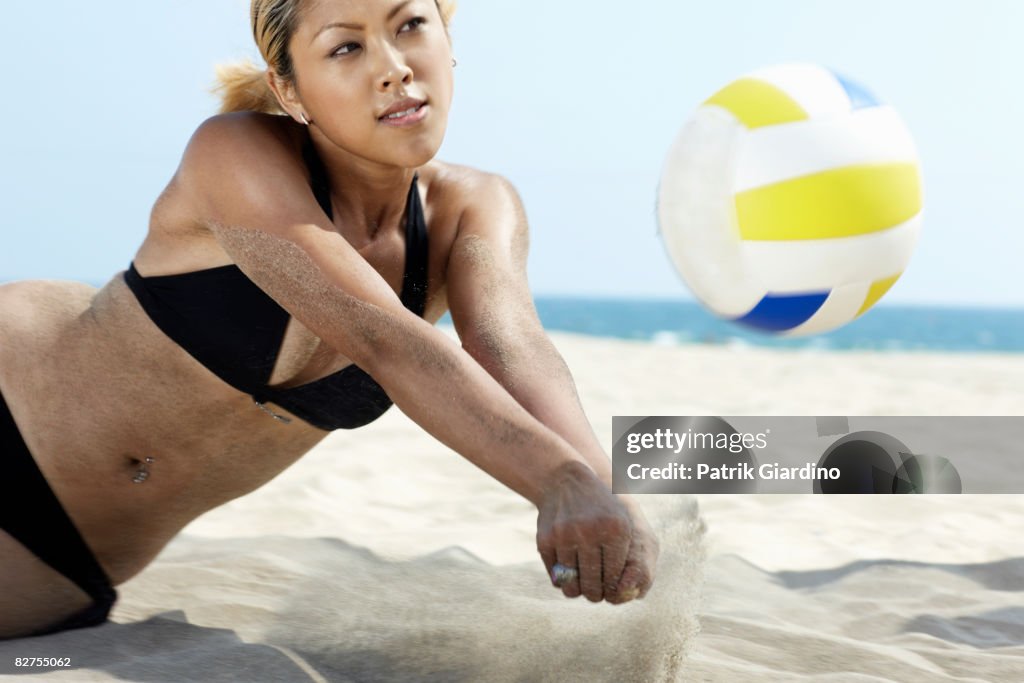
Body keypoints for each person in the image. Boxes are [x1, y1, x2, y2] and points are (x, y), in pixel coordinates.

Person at [0, 0, 658, 639]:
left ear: (448, 41)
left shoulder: (476, 207)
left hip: (73, 567)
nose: (394, 67)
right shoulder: (233, 155)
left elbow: (510, 347)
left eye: (410, 26)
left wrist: (601, 486)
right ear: (290, 92)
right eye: (346, 46)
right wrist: (556, 480)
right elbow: (381, 337)